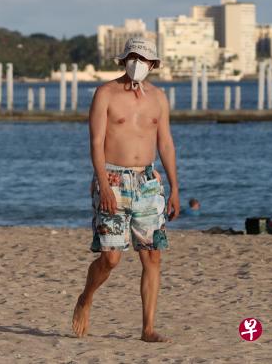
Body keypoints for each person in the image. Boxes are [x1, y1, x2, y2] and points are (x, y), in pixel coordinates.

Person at [72, 37, 180, 342]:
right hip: (113, 179)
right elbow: (95, 142)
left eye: (144, 59)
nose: (138, 63)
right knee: (111, 259)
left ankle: (147, 328)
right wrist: (103, 183)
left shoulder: (158, 98)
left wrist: (174, 188)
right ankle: (86, 296)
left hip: (147, 182)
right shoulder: (105, 93)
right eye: (132, 57)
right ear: (122, 60)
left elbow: (166, 143)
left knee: (152, 257)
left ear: (154, 65)